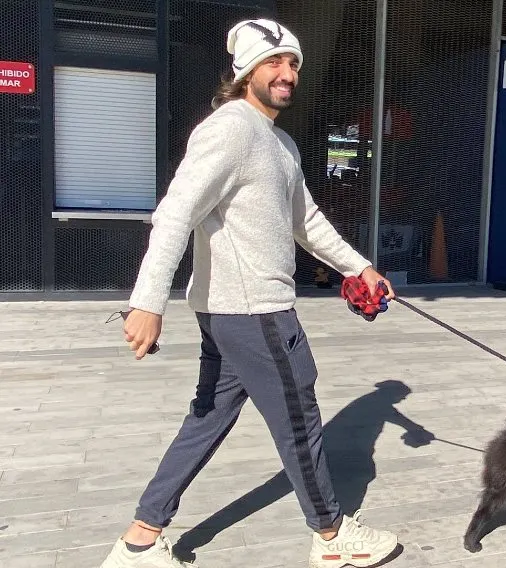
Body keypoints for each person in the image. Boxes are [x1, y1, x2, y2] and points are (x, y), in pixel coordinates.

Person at [100, 18, 400, 568]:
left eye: (293, 64)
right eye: (274, 63)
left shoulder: (279, 142)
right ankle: (332, 538)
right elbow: (174, 214)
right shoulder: (231, 129)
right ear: (246, 72)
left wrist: (360, 267)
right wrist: (147, 302)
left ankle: (140, 539)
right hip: (255, 312)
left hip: (238, 314)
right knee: (300, 417)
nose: (287, 73)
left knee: (208, 418)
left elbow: (305, 221)